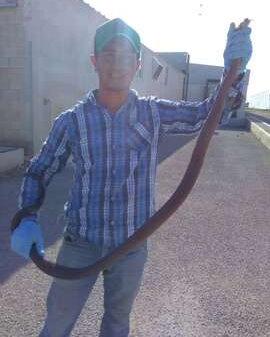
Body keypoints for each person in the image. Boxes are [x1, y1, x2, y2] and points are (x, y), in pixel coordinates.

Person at [11, 17, 252, 336]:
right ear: (94, 62)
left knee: (116, 323)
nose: (117, 64)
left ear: (137, 65)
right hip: (80, 242)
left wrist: (232, 75)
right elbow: (40, 169)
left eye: (126, 56)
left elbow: (208, 115)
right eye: (108, 55)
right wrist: (26, 215)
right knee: (57, 321)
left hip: (131, 245)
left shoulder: (153, 113)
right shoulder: (72, 121)